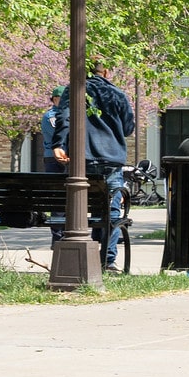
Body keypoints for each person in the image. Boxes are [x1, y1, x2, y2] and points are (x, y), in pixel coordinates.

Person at [49, 62, 136, 272]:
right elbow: (128, 128)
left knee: (76, 207)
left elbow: (64, 118)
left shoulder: (75, 90)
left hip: (82, 159)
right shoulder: (117, 94)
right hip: (111, 159)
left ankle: (76, 256)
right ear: (106, 72)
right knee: (111, 211)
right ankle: (107, 260)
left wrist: (58, 144)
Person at [38, 89, 64, 174]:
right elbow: (61, 134)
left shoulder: (67, 114)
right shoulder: (51, 116)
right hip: (55, 159)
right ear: (55, 99)